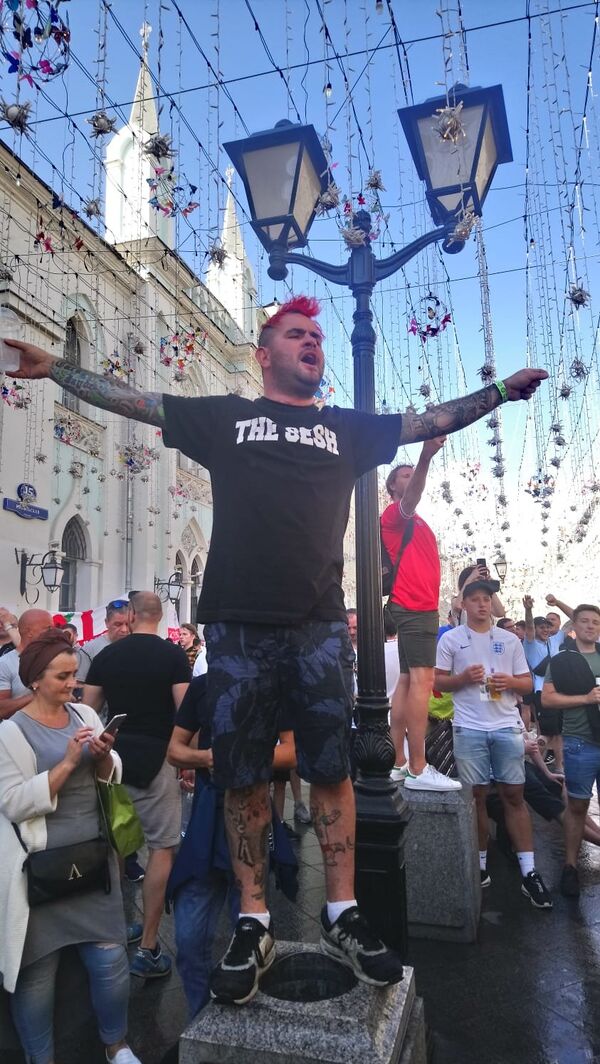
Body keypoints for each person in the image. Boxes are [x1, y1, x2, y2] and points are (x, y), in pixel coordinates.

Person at [9, 294, 548, 1004]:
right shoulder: (225, 418)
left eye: (317, 336)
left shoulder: (346, 430)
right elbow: (136, 401)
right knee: (242, 777)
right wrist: (56, 373)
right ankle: (254, 918)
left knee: (331, 768)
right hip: (235, 623)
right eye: (297, 334)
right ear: (265, 353)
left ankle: (342, 911)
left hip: (320, 624)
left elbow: (430, 420)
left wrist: (501, 392)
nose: (312, 343)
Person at [0, 629, 140, 1064]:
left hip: (93, 857)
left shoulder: (84, 715)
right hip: (37, 869)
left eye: (74, 675)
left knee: (111, 963)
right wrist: (64, 764)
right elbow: (13, 802)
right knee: (36, 976)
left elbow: (109, 775)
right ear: (35, 680)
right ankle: (39, 1058)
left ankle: (116, 1045)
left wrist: (102, 756)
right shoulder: (10, 732)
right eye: (62, 676)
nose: (72, 684)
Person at [166, 674, 297, 1016]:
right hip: (207, 817)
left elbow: (291, 751)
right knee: (189, 939)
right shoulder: (202, 686)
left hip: (250, 817)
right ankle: (200, 1018)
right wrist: (209, 758)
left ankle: (245, 1021)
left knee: (251, 931)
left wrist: (241, 758)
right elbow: (175, 750)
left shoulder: (273, 686)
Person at [84, 592, 191, 979]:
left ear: (130, 615)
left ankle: (113, 932)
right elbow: (185, 711)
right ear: (159, 617)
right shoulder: (173, 656)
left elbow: (88, 709)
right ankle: (148, 945)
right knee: (162, 848)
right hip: (159, 758)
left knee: (116, 845)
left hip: (115, 758)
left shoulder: (107, 656)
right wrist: (187, 758)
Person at [435, 580, 552, 908]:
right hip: (468, 727)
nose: (482, 605)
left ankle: (529, 872)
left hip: (504, 725)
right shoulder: (452, 639)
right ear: (464, 604)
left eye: (487, 599)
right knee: (476, 797)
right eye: (475, 599)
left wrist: (510, 682)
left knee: (514, 795)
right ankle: (480, 864)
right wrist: (462, 680)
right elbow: (438, 681)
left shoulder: (508, 639)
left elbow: (527, 682)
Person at [382, 440, 461, 792]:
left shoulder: (413, 520)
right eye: (404, 474)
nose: (411, 477)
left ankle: (399, 763)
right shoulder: (397, 513)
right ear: (392, 487)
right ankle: (418, 765)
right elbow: (412, 497)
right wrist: (426, 455)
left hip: (414, 604)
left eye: (412, 472)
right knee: (421, 681)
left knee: (405, 681)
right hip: (415, 605)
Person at [541, 604, 600, 897]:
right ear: (575, 624)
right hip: (579, 741)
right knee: (577, 807)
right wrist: (586, 698)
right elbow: (548, 700)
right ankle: (570, 867)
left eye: (595, 622)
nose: (591, 626)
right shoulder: (563, 661)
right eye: (585, 621)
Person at [523, 597, 563, 772]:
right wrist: (529, 610)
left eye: (547, 626)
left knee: (558, 731)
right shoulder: (530, 644)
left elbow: (573, 621)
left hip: (558, 691)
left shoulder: (554, 641)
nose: (545, 629)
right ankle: (533, 764)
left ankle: (559, 765)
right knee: (547, 732)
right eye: (542, 627)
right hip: (542, 692)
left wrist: (558, 602)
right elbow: (530, 627)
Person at [0, 609, 53, 720]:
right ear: (29, 632)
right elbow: (2, 710)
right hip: (18, 733)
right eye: (48, 628)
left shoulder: (54, 658)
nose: (53, 632)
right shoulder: (5, 664)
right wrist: (39, 695)